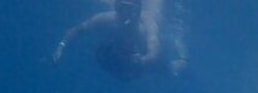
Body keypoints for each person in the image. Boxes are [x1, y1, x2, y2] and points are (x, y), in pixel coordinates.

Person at [52, 0, 188, 81]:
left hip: (140, 57)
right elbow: (78, 30)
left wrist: (140, 61)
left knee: (168, 68)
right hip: (121, 56)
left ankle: (177, 61)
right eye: (123, 9)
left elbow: (154, 48)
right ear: (117, 8)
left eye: (131, 9)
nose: (127, 14)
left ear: (138, 10)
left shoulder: (147, 22)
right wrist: (62, 45)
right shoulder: (106, 18)